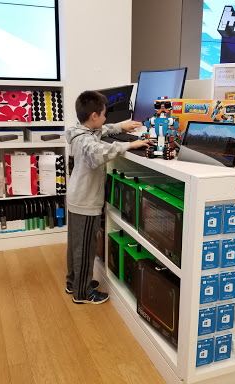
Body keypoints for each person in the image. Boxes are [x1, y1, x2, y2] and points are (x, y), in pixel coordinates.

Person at [65, 90, 150, 304]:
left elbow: (101, 131)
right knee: (85, 248)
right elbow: (98, 154)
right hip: (86, 201)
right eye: (104, 115)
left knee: (75, 244)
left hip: (77, 197)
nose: (105, 120)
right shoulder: (86, 142)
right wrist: (129, 144)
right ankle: (82, 292)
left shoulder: (80, 130)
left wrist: (121, 126)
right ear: (94, 116)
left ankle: (74, 280)